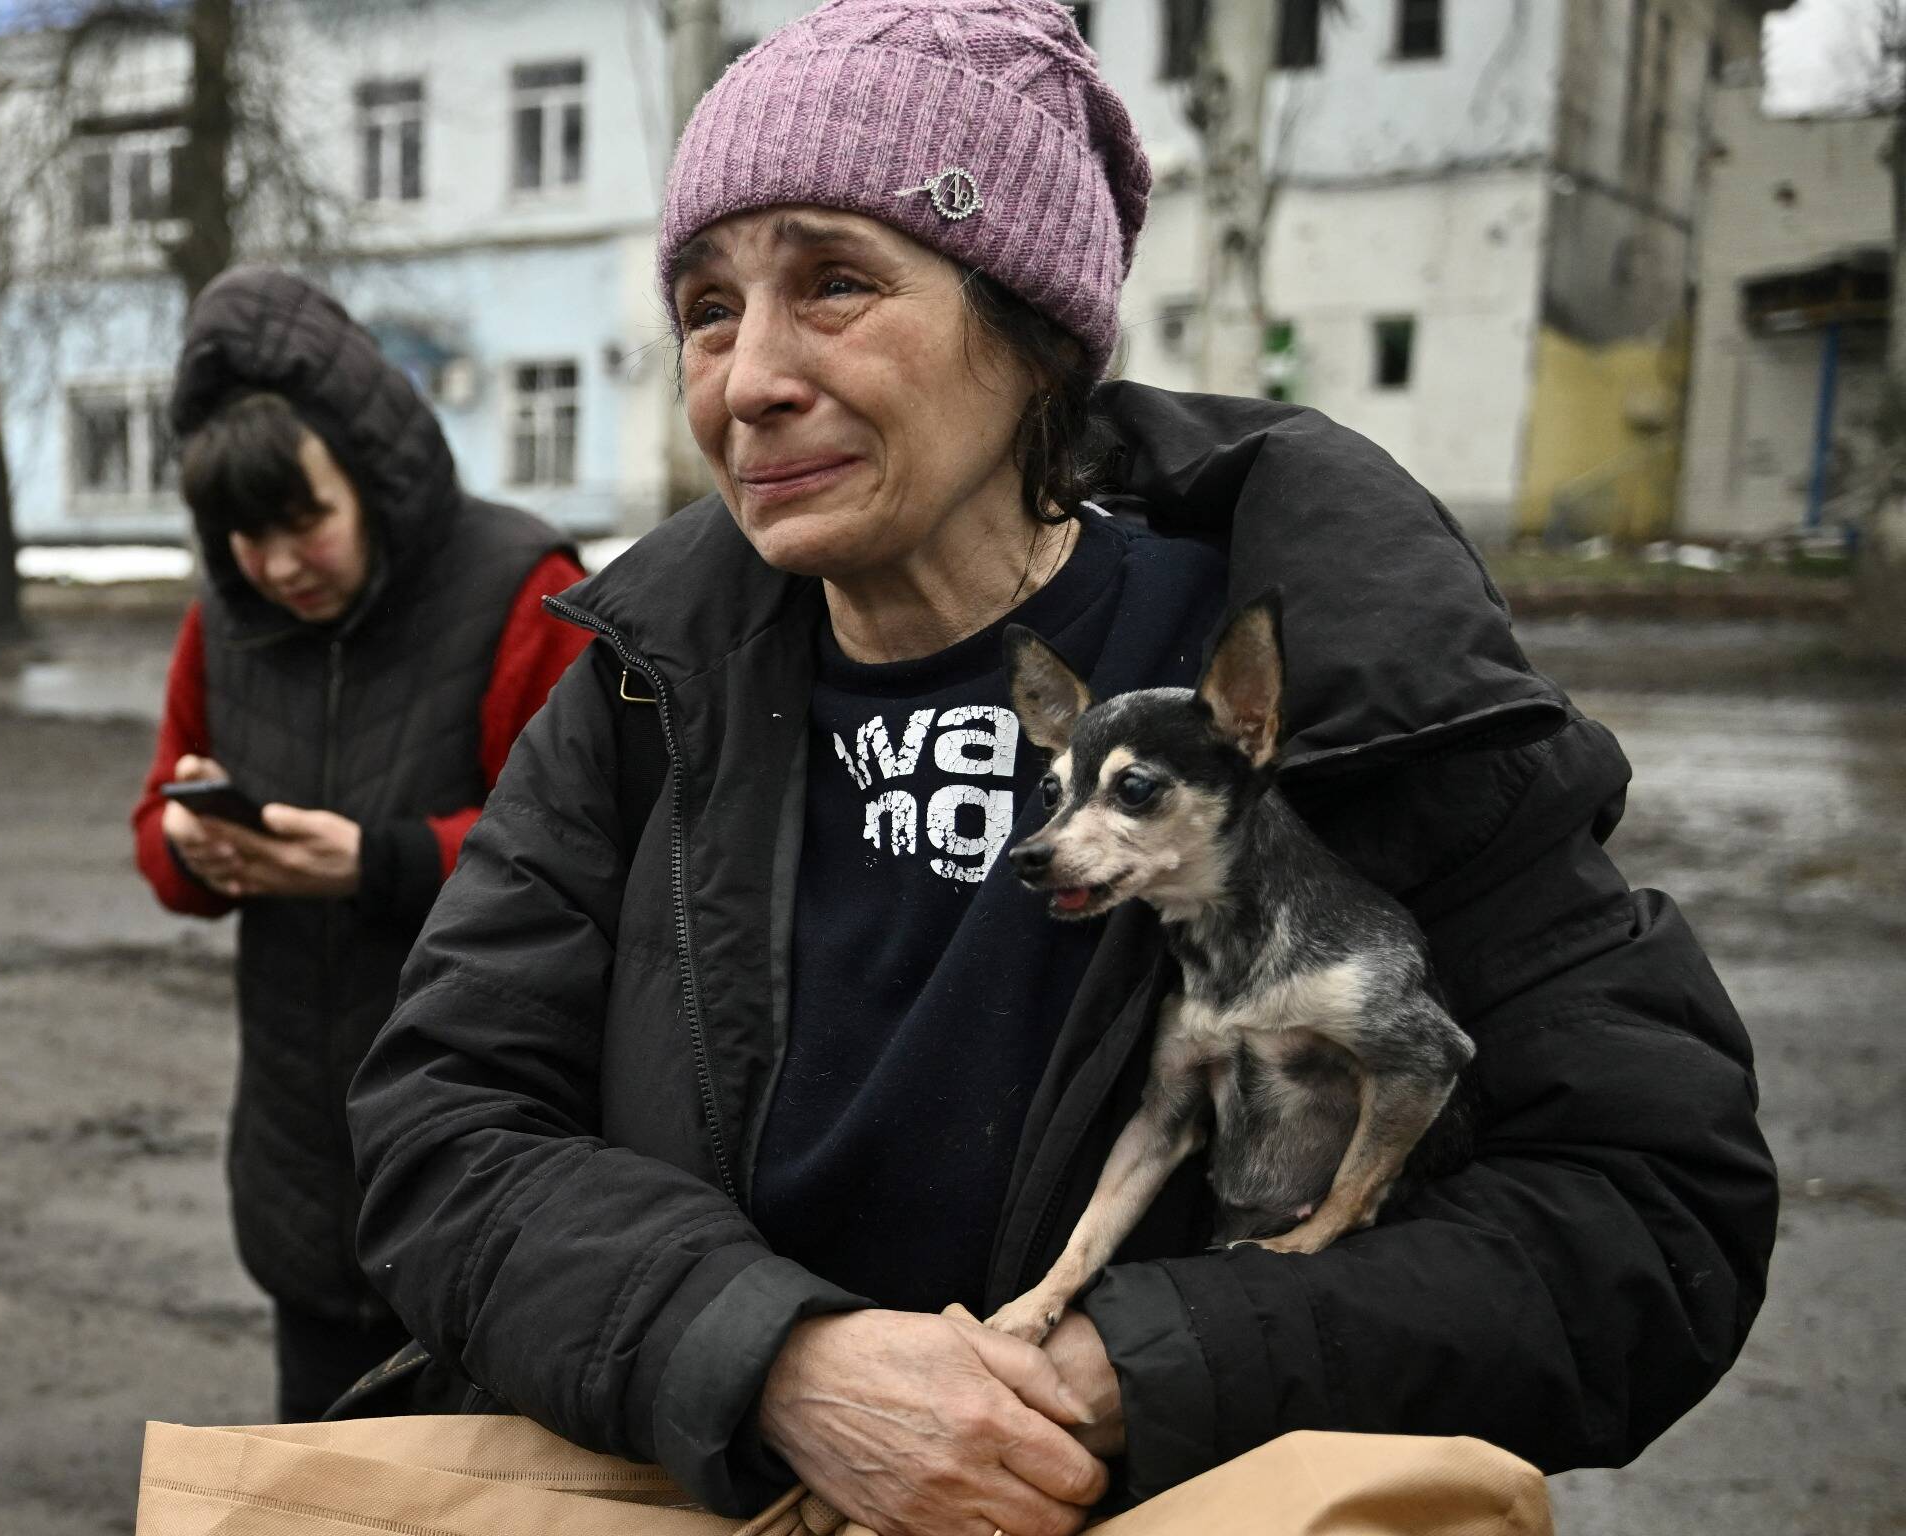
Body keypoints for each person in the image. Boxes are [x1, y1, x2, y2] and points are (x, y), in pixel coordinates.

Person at [347, 4, 1778, 1533]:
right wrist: (778, 1363)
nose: (747, 377)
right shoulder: (645, 684)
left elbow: (1642, 1209)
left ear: (1028, 331)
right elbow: (445, 1135)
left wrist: (1118, 1373)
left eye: (835, 283)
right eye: (708, 306)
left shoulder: (1326, 670)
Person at [130, 266, 590, 1421]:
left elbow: (597, 852)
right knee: (318, 1481)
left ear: (372, 477)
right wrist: (194, 844)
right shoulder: (224, 623)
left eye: (304, 521)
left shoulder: (522, 586)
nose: (278, 564)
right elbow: (154, 828)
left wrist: (378, 862)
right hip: (300, 1165)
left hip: (491, 1167)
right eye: (245, 536)